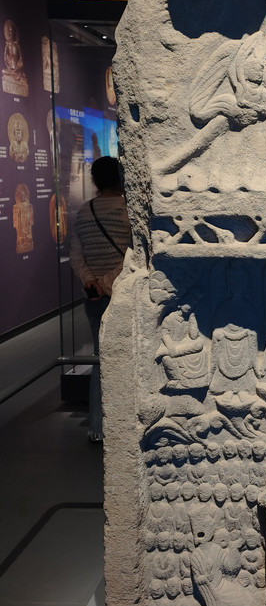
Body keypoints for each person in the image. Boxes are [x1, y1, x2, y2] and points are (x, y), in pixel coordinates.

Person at [70, 156, 131, 442]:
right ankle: (126, 425)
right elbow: (133, 255)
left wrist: (91, 281)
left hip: (94, 298)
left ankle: (97, 426)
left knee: (99, 359)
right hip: (122, 293)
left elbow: (77, 256)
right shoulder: (128, 210)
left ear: (94, 180)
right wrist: (110, 282)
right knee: (127, 358)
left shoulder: (84, 212)